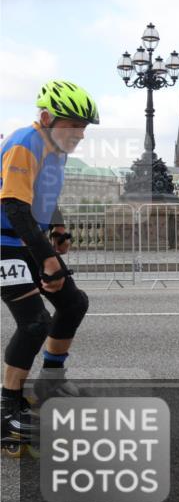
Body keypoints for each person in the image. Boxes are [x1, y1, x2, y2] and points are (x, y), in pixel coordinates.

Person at [1, 80, 99, 456]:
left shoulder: (55, 149)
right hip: (4, 244)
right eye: (73, 125)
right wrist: (46, 258)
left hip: (26, 239)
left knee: (73, 304)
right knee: (34, 323)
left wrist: (58, 230)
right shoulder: (26, 141)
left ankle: (50, 383)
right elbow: (15, 206)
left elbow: (43, 196)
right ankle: (7, 408)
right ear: (46, 117)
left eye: (84, 128)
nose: (79, 134)